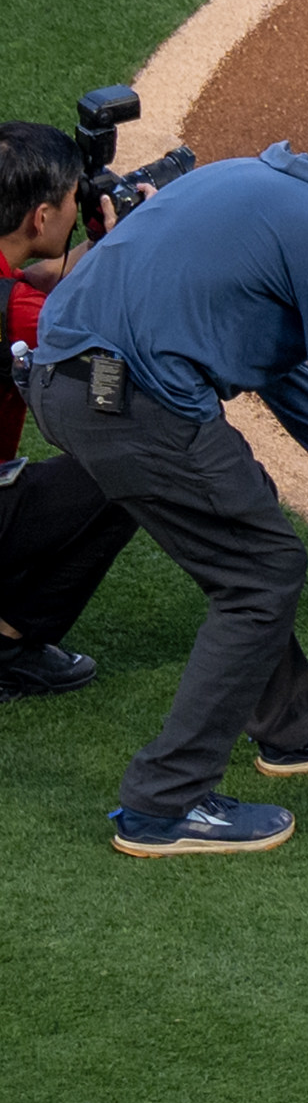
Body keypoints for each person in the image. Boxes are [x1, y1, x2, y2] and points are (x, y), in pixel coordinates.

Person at [28, 141, 308, 857]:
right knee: (260, 572)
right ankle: (164, 803)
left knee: (248, 526)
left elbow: (297, 385)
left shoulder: (275, 187)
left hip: (73, 379)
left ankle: (298, 727)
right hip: (129, 398)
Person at [0, 121, 141, 701]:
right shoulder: (20, 312)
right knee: (132, 465)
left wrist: (100, 242)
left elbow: (39, 280)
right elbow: (105, 333)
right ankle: (10, 646)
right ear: (40, 218)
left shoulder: (15, 290)